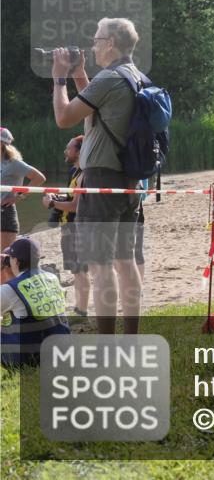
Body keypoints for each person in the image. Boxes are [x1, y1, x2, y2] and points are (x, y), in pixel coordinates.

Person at [50, 17, 144, 335]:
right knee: (125, 261)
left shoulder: (109, 78)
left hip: (102, 180)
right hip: (129, 182)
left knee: (101, 266)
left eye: (97, 39)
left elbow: (65, 117)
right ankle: (130, 336)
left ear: (111, 44)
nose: (93, 44)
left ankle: (106, 343)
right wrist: (79, 76)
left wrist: (59, 79)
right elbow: (97, 110)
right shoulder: (134, 77)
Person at [1, 237, 70, 368]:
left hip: (28, 359)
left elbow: (11, 294)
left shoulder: (9, 290)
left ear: (15, 261)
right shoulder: (52, 278)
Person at [43, 135, 88, 317]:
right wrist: (56, 198)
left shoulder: (84, 175)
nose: (65, 151)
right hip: (67, 226)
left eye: (69, 148)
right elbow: (70, 199)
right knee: (76, 270)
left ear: (79, 152)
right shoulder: (73, 172)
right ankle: (80, 307)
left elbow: (77, 206)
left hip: (78, 228)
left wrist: (52, 204)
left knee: (80, 270)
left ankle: (82, 311)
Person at [1, 128, 46, 283]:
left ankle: (9, 297)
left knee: (7, 261)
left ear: (2, 144)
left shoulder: (13, 164)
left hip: (5, 214)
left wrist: (18, 197)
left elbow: (39, 178)